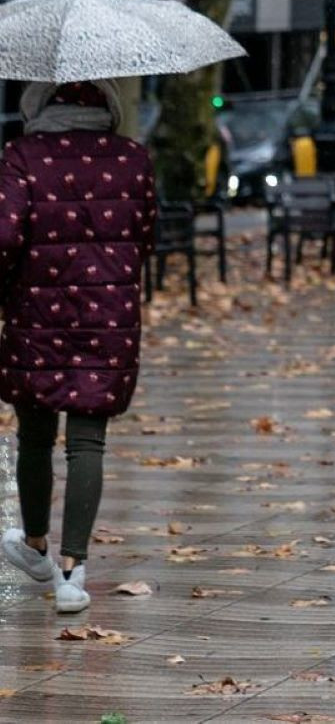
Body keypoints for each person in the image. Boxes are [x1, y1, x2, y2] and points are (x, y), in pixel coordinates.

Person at [0, 81, 156, 614]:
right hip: (108, 318)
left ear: (41, 105)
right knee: (87, 443)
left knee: (36, 437)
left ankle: (37, 545)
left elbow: (5, 236)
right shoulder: (133, 159)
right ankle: (72, 572)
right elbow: (146, 235)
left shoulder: (21, 156)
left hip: (34, 317)